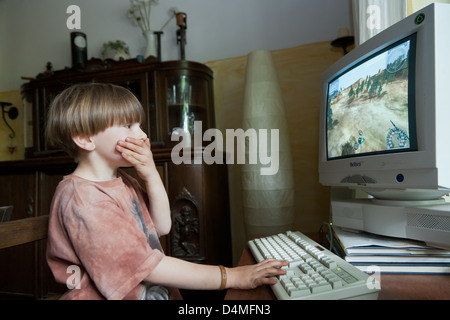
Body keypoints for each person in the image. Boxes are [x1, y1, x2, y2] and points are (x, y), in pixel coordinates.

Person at [45, 83, 288, 300]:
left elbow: (161, 227)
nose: (142, 135)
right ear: (86, 139)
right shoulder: (84, 198)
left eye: (140, 126)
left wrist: (150, 173)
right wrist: (232, 277)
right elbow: (145, 267)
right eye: (128, 125)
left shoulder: (122, 181)